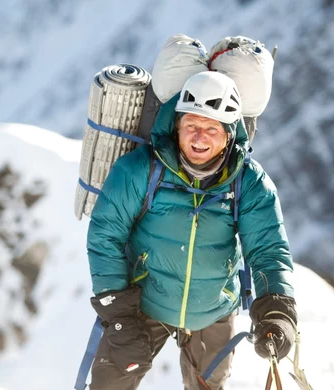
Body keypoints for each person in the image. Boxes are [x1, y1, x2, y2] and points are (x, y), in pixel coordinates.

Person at [86, 71, 297, 390]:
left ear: (228, 134)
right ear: (177, 126)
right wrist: (119, 318)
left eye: (211, 128)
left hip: (212, 309)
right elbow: (105, 236)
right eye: (192, 126)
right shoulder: (140, 169)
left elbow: (268, 251)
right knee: (109, 385)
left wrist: (277, 310)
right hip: (143, 303)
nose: (200, 138)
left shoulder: (249, 183)